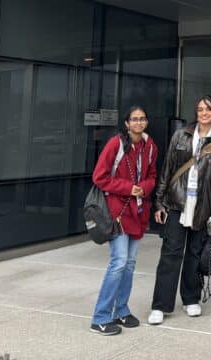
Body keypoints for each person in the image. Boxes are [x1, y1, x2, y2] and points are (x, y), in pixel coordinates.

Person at [147, 96, 211, 325]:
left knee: (194, 253)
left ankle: (191, 298)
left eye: (208, 109)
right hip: (176, 202)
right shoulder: (181, 135)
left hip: (203, 207)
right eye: (200, 109)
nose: (203, 113)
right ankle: (160, 305)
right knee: (170, 254)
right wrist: (159, 202)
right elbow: (167, 169)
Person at [90, 106, 158, 335]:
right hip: (117, 211)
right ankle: (100, 317)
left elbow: (152, 176)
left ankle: (120, 310)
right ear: (127, 123)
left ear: (146, 123)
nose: (139, 123)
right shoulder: (115, 144)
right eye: (134, 119)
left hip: (138, 212)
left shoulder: (150, 147)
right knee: (118, 262)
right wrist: (129, 188)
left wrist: (143, 188)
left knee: (129, 263)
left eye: (142, 119)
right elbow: (99, 177)